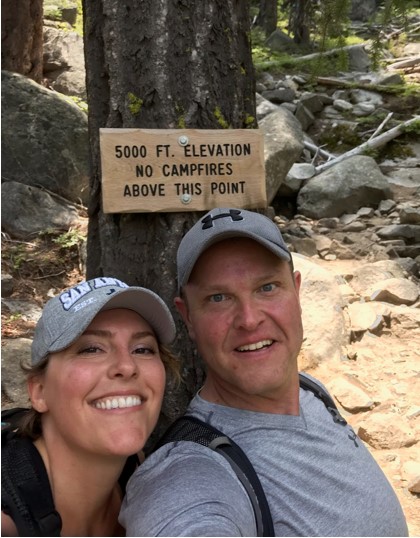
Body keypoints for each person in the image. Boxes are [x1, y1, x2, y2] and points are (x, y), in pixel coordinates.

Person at [120, 207, 408, 537]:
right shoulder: (188, 473)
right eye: (218, 297)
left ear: (296, 291)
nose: (249, 318)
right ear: (188, 317)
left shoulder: (309, 390)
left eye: (267, 288)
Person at [2, 276, 178, 537]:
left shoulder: (138, 472)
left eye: (142, 349)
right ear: (39, 392)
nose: (127, 366)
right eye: (91, 349)